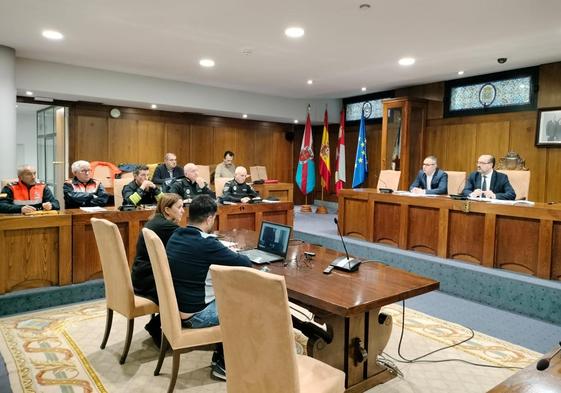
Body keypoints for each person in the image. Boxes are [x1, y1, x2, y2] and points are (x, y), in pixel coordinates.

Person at [166, 195, 252, 380]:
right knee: (247, 304)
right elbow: (245, 263)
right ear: (210, 218)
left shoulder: (176, 235)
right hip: (196, 315)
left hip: (177, 309)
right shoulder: (207, 243)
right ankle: (224, 365)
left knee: (230, 295)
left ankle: (219, 357)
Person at [131, 193, 184, 346]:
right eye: (179, 207)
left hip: (141, 276)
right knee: (185, 288)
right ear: (167, 210)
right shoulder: (166, 226)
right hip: (148, 281)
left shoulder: (156, 221)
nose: (182, 211)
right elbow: (187, 243)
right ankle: (155, 325)